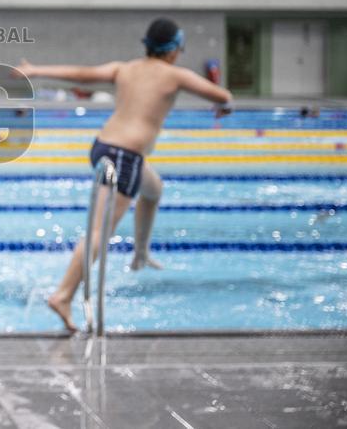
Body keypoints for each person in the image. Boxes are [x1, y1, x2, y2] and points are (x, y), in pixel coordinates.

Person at [12, 18, 234, 332]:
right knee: (99, 232)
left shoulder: (125, 68)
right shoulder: (175, 75)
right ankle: (63, 295)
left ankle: (140, 254)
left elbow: (82, 75)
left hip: (104, 146)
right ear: (174, 49)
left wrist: (36, 70)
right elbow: (221, 95)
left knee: (153, 188)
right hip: (123, 157)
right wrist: (226, 105)